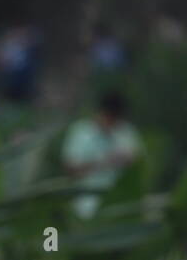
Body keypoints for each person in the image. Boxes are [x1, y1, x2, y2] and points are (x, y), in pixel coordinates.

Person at [61, 91, 143, 219]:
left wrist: (125, 160)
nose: (110, 122)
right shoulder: (80, 132)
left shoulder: (128, 133)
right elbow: (70, 170)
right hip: (84, 207)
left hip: (120, 206)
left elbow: (138, 166)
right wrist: (103, 162)